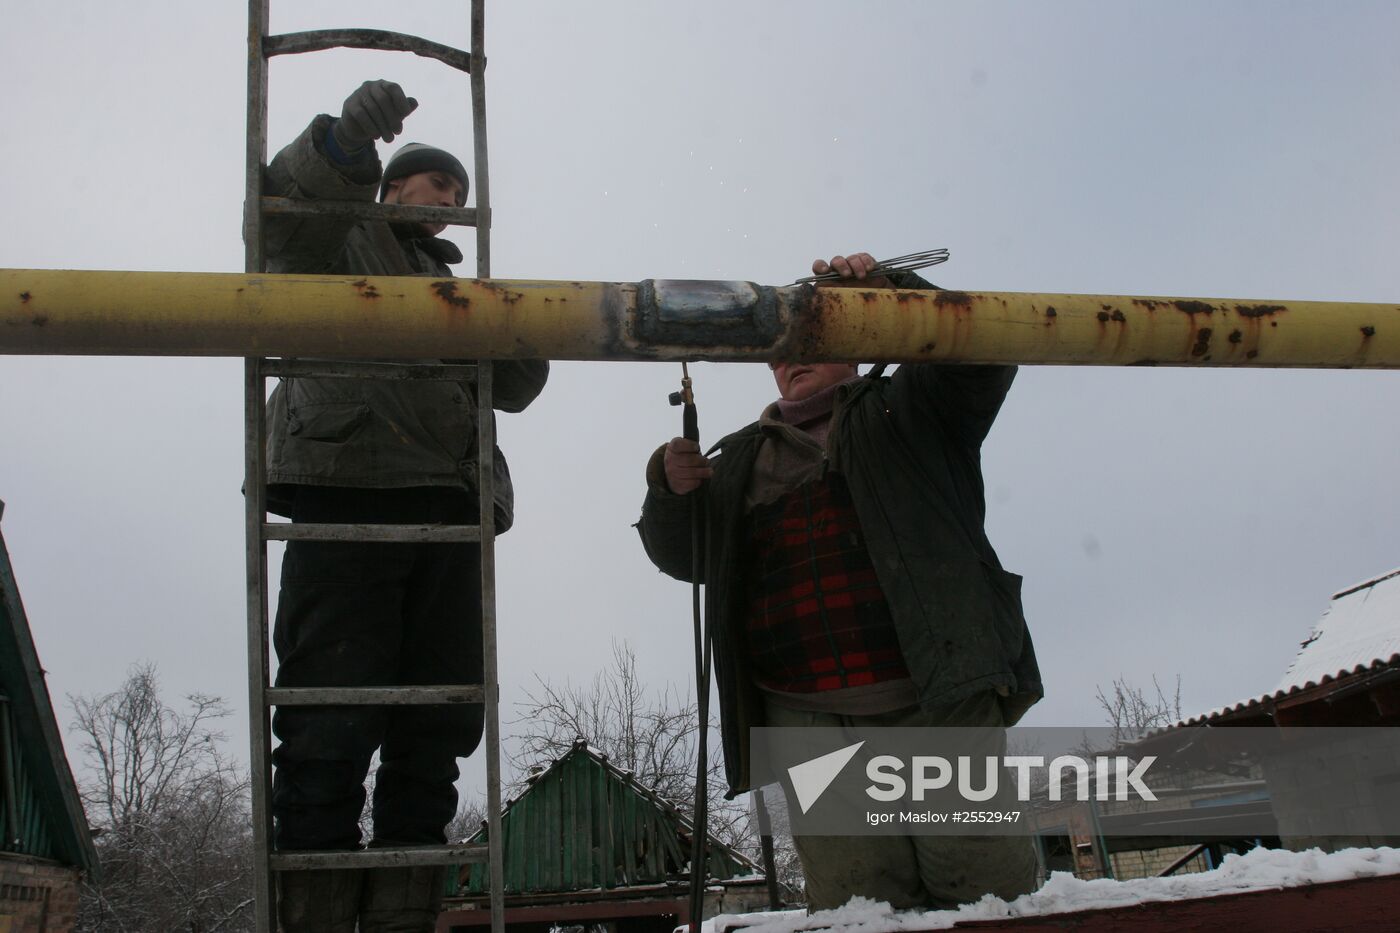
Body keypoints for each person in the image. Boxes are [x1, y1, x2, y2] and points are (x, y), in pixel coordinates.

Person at [636, 251, 1041, 911]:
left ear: (852, 342)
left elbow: (980, 351)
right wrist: (669, 492)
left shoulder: (910, 409)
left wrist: (892, 292)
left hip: (936, 698)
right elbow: (687, 557)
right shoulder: (740, 457)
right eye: (778, 349)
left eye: (810, 339)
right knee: (860, 907)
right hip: (806, 717)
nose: (789, 358)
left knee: (986, 895)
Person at [262, 79, 549, 932]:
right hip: (351, 488)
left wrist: (513, 318)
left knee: (440, 722)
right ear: (390, 189)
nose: (450, 204)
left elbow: (524, 384)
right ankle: (313, 913)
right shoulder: (343, 238)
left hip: (453, 510)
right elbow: (283, 218)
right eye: (435, 188)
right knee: (330, 714)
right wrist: (344, 148)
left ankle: (403, 913)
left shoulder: (457, 283)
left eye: (459, 196)